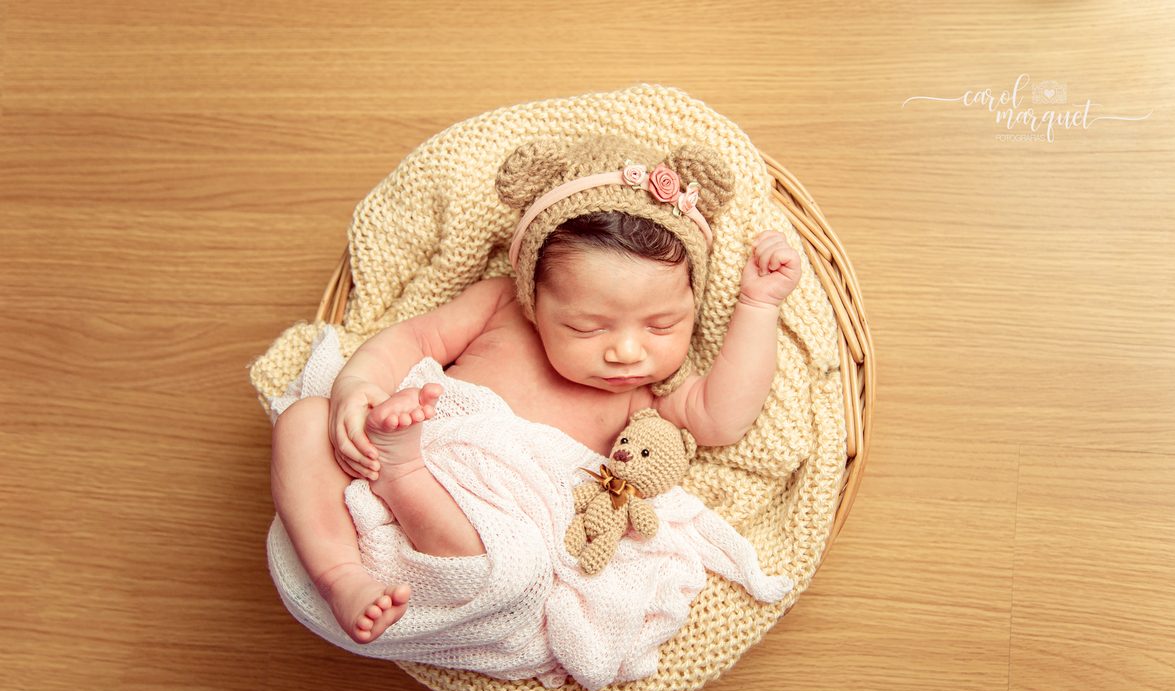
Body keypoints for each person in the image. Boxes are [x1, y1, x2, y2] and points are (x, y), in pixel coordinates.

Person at [270, 135, 805, 645]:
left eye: (661, 326)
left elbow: (722, 416)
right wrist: (360, 384)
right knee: (306, 419)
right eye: (586, 327)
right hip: (408, 441)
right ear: (532, 298)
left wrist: (758, 305)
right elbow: (414, 338)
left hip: (483, 520)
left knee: (519, 564)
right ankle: (338, 574)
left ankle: (402, 475)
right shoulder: (500, 305)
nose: (626, 352)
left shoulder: (644, 398)